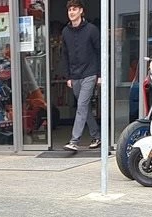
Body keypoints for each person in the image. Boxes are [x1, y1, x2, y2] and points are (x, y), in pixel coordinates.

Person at [60, 0, 100, 152]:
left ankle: (74, 141)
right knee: (84, 108)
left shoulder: (92, 30)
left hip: (89, 73)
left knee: (81, 106)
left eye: (74, 9)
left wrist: (99, 74)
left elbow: (100, 52)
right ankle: (97, 136)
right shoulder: (65, 32)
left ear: (81, 11)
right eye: (69, 9)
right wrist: (68, 77)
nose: (71, 12)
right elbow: (64, 55)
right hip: (74, 75)